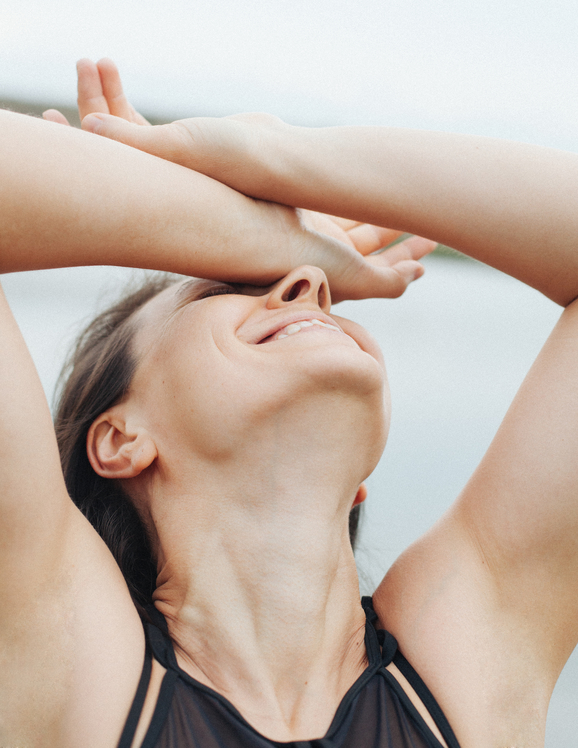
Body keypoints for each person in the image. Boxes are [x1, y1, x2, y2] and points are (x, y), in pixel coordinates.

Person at [1, 60, 577, 748]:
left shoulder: (464, 664)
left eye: (309, 277)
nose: (311, 286)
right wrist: (275, 238)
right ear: (121, 439)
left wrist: (276, 154)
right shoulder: (62, 656)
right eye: (225, 290)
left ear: (361, 484)